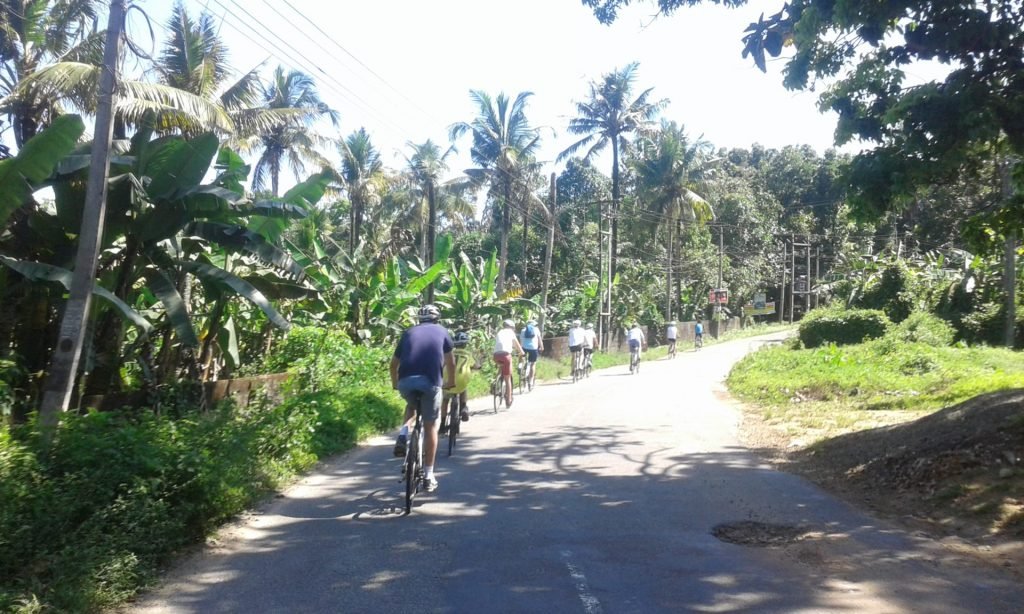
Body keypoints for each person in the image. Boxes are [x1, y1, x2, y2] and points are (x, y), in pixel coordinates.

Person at [390, 304, 455, 493]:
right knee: (430, 426)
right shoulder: (442, 331)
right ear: (437, 318)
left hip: (405, 382)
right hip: (430, 382)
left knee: (411, 406)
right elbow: (450, 362)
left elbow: (393, 364)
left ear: (419, 319)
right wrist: (450, 382)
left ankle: (403, 434)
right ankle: (428, 475)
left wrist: (395, 384)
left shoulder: (408, 333)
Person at [439, 331, 473, 434]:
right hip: (461, 381)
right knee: (463, 389)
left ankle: (442, 425)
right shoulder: (468, 354)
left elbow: (442, 365)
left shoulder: (449, 353)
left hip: (448, 379)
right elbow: (475, 365)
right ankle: (464, 407)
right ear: (465, 344)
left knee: (445, 400)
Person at [493, 318, 524, 407]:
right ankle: (508, 400)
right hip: (506, 355)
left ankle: (495, 383)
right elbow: (517, 345)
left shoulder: (499, 332)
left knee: (501, 366)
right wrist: (522, 353)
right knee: (508, 379)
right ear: (512, 327)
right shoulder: (511, 333)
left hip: (495, 356)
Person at [519, 319, 544, 385]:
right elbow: (539, 340)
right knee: (533, 364)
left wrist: (520, 349)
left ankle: (520, 365)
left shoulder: (523, 330)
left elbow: (521, 340)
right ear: (534, 324)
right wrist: (542, 347)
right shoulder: (536, 330)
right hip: (533, 348)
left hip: (524, 347)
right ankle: (530, 381)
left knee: (521, 356)